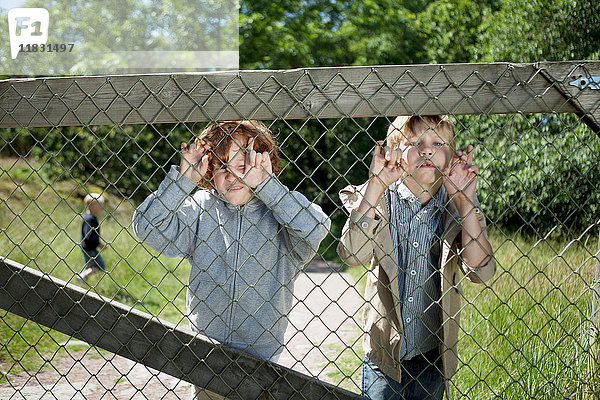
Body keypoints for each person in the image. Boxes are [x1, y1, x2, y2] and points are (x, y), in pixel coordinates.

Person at [132, 120, 330, 397]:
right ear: (209, 171)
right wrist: (183, 180)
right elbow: (146, 227)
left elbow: (316, 227)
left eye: (244, 166)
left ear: (266, 166)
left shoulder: (281, 213)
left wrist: (266, 186)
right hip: (204, 353)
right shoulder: (201, 208)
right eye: (222, 167)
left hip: (261, 360)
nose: (233, 176)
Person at [337, 115, 496, 400]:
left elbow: (480, 272)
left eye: (438, 143)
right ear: (394, 152)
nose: (427, 150)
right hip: (383, 353)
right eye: (415, 143)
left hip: (433, 353)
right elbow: (351, 254)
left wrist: (465, 203)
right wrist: (375, 185)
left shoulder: (456, 206)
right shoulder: (377, 199)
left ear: (451, 154)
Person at [77, 193, 107, 284]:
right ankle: (82, 276)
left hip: (86, 246)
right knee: (100, 266)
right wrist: (98, 244)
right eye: (100, 206)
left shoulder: (89, 216)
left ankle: (83, 281)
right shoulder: (90, 219)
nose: (102, 208)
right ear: (92, 206)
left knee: (89, 264)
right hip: (89, 247)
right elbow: (89, 235)